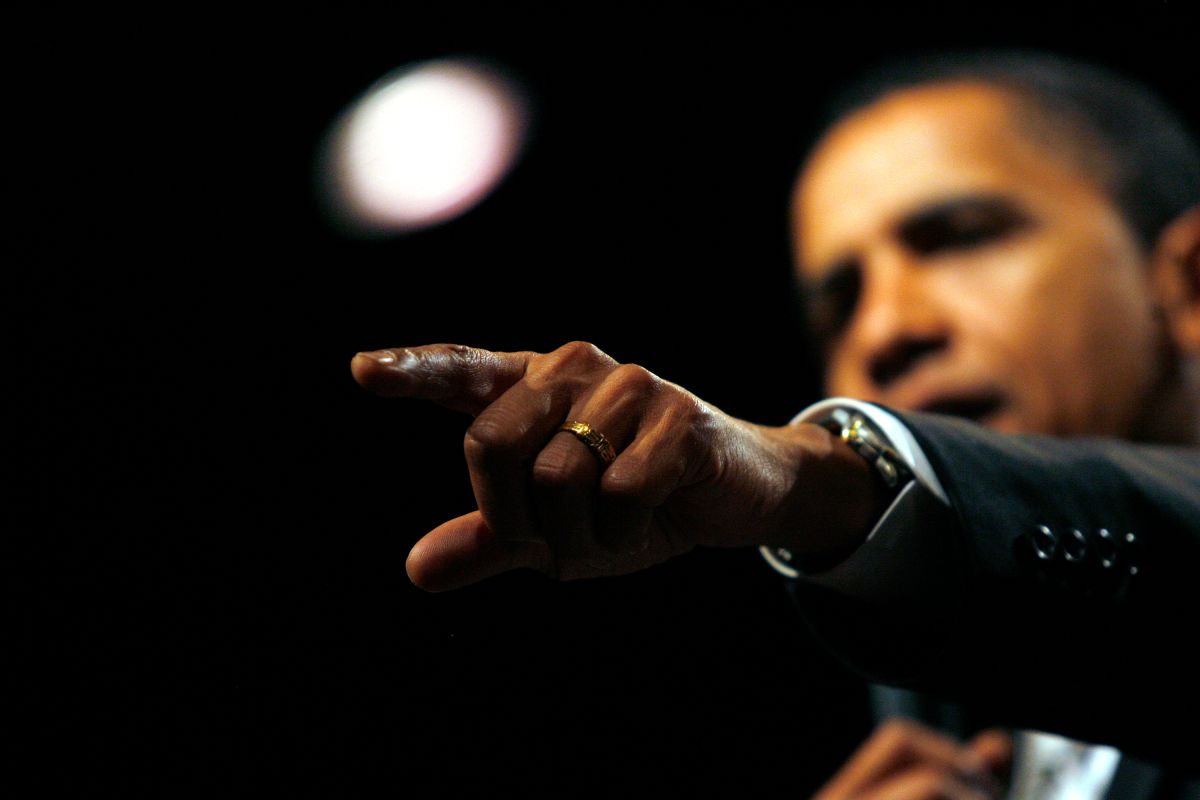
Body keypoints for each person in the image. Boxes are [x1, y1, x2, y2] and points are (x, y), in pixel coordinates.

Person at [349, 51, 1200, 798]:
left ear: (1189, 287)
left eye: (957, 239)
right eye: (839, 307)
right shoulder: (922, 724)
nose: (884, 332)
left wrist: (813, 477)